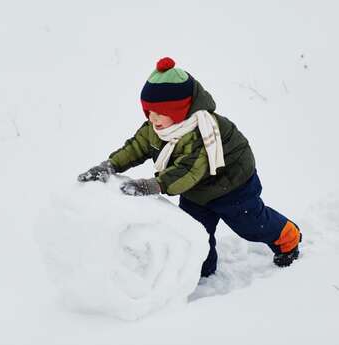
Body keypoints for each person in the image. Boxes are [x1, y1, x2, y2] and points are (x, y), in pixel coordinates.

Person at [77, 57, 302, 277]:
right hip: (197, 190)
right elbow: (136, 147)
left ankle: (287, 237)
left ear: (178, 111)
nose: (152, 118)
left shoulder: (202, 131)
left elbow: (188, 170)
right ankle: (202, 270)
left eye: (159, 112)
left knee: (251, 225)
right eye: (148, 111)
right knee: (195, 232)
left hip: (232, 184)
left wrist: (154, 185)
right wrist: (110, 165)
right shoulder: (156, 128)